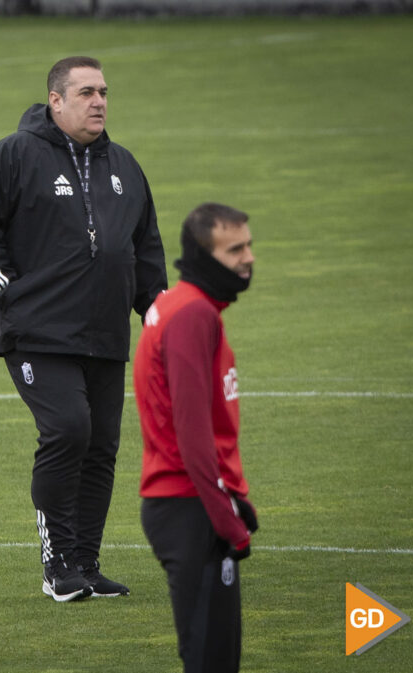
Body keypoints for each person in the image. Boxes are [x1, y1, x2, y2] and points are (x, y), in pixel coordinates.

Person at [0, 56, 166, 601]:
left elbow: (145, 245)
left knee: (100, 445)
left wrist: (156, 308)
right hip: (37, 331)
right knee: (69, 428)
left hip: (104, 332)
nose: (99, 102)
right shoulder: (14, 154)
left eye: (103, 92)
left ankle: (85, 566)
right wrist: (11, 293)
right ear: (56, 100)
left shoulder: (124, 165)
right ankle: (56, 566)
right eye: (86, 92)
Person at [133, 203, 259, 673]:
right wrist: (228, 520)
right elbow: (192, 433)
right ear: (204, 256)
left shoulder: (179, 305)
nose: (248, 258)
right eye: (235, 249)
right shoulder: (192, 316)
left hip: (189, 503)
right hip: (191, 508)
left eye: (248, 245)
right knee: (211, 661)